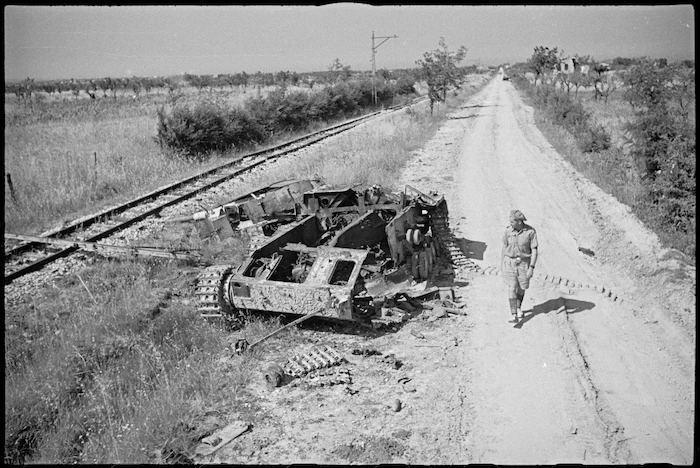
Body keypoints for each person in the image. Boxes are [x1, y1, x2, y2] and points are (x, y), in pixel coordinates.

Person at [501, 209, 538, 323]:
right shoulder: (508, 231)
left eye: (512, 222)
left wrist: (531, 267)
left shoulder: (530, 232)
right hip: (510, 263)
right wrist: (502, 264)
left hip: (523, 263)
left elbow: (534, 250)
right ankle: (514, 314)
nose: (510, 224)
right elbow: (504, 247)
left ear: (519, 222)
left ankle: (518, 307)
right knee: (512, 287)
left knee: (522, 287)